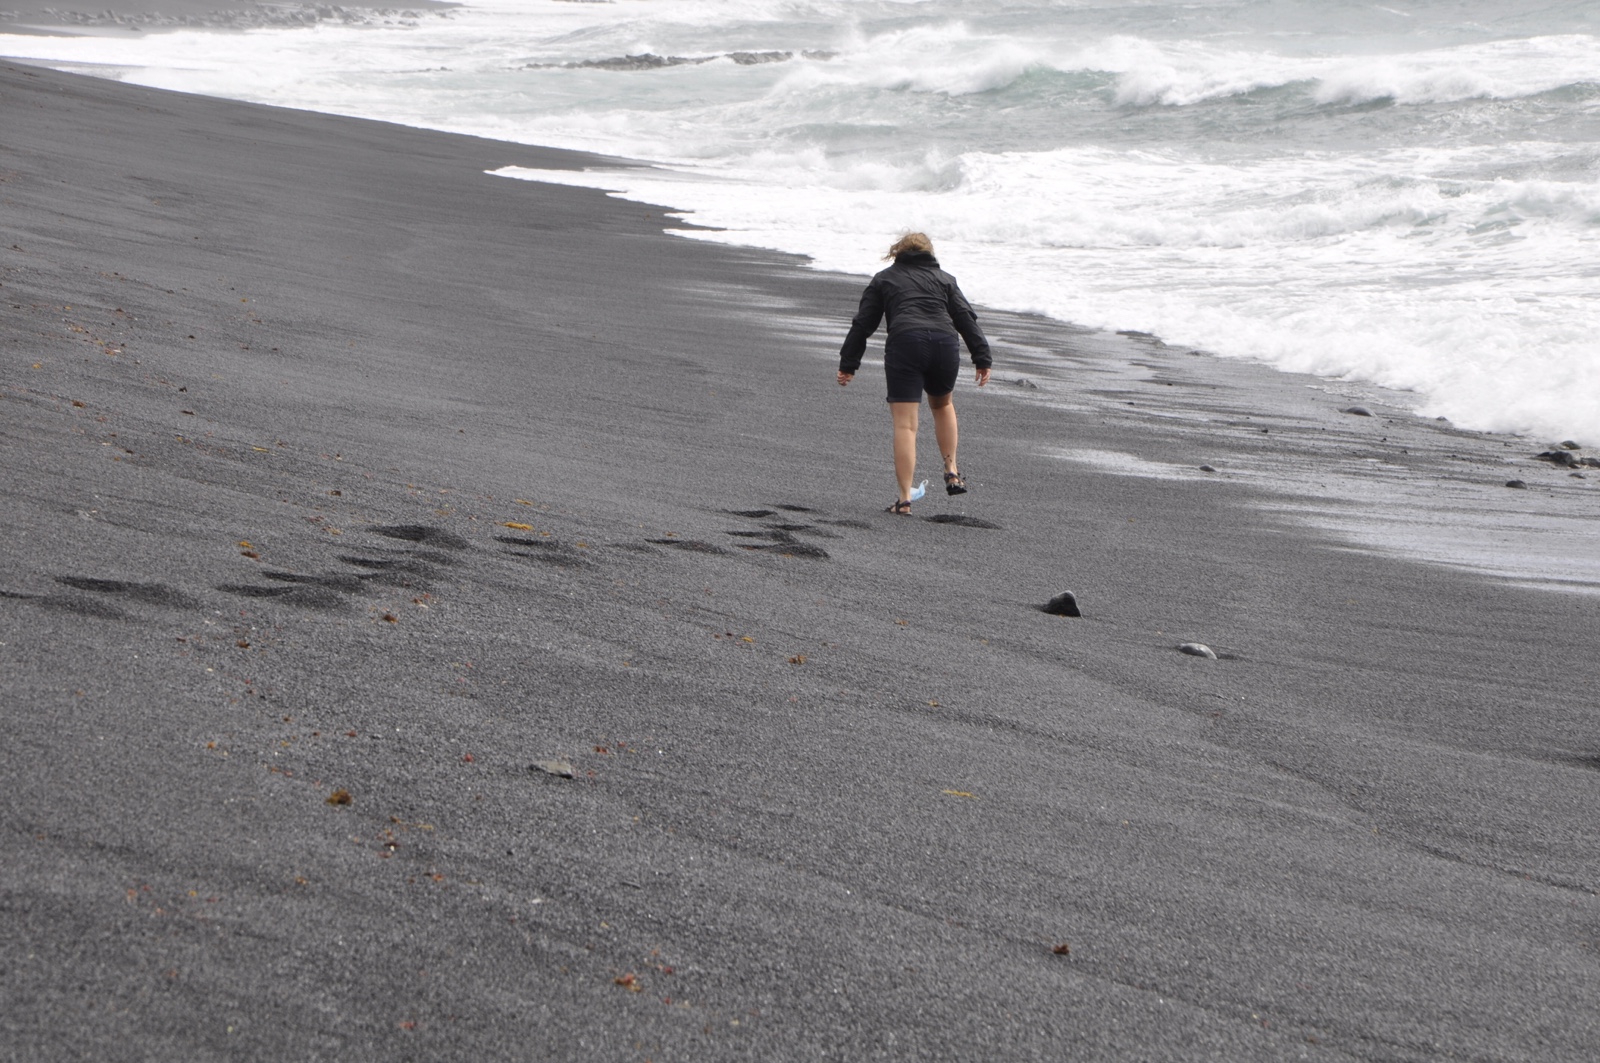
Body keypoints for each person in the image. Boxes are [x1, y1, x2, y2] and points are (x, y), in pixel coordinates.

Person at [837, 232, 992, 514]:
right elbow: (965, 319)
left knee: (905, 425)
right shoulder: (945, 279)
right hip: (944, 343)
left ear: (897, 252)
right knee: (942, 404)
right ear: (929, 253)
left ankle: (905, 499)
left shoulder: (884, 279)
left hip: (906, 342)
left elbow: (863, 324)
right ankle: (952, 470)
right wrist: (982, 357)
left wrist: (849, 364)